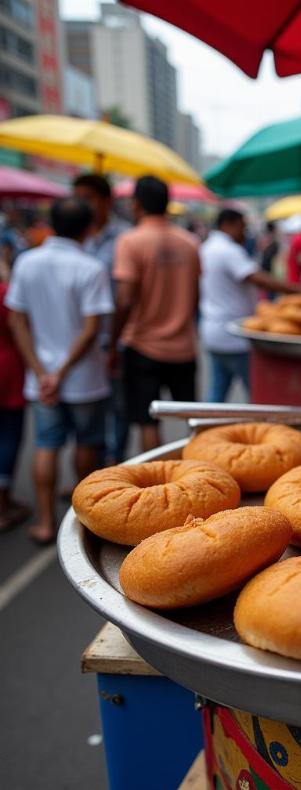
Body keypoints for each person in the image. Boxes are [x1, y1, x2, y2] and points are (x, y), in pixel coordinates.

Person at [5, 198, 113, 543]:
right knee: (88, 443)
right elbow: (92, 327)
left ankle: (45, 522)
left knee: (46, 445)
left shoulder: (27, 262)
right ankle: (88, 519)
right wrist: (63, 371)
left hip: (42, 380)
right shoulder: (90, 267)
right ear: (87, 228)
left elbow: (16, 320)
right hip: (83, 379)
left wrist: (42, 372)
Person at [110, 175, 201, 454]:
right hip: (184, 347)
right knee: (192, 422)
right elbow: (195, 295)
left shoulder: (130, 242)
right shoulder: (189, 243)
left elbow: (124, 300)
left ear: (136, 204)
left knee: (148, 423)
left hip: (142, 347)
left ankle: (154, 484)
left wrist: (113, 343)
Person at [200, 208, 301, 403]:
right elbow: (259, 279)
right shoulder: (228, 250)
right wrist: (299, 290)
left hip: (213, 330)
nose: (245, 233)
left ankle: (205, 429)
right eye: (242, 227)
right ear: (229, 225)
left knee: (217, 394)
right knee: (260, 396)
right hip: (234, 335)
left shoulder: (207, 247)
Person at [73, 173, 131, 465]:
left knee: (118, 408)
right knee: (85, 416)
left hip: (114, 337)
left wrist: (116, 340)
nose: (82, 205)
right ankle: (88, 475)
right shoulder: (72, 238)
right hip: (80, 341)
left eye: (88, 198)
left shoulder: (124, 237)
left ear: (107, 202)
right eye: (78, 198)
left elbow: (127, 296)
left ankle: (115, 464)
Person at [0, 255, 28, 531]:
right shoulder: (5, 293)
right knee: (8, 434)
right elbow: (18, 325)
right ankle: (3, 503)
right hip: (6, 369)